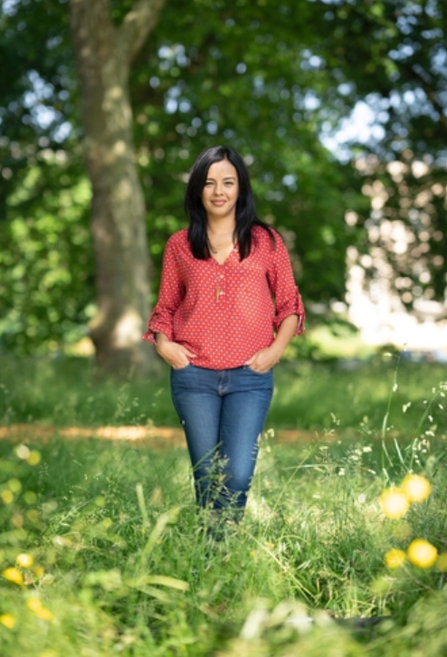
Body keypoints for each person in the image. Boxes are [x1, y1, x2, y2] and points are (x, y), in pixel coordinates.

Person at [143, 145, 305, 525]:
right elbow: (165, 308)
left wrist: (274, 351)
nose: (219, 191)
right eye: (210, 183)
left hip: (250, 377)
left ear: (240, 189)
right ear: (198, 190)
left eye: (228, 182)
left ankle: (222, 552)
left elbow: (290, 307)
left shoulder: (267, 242)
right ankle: (213, 561)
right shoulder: (179, 245)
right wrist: (165, 345)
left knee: (237, 475)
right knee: (206, 474)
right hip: (193, 376)